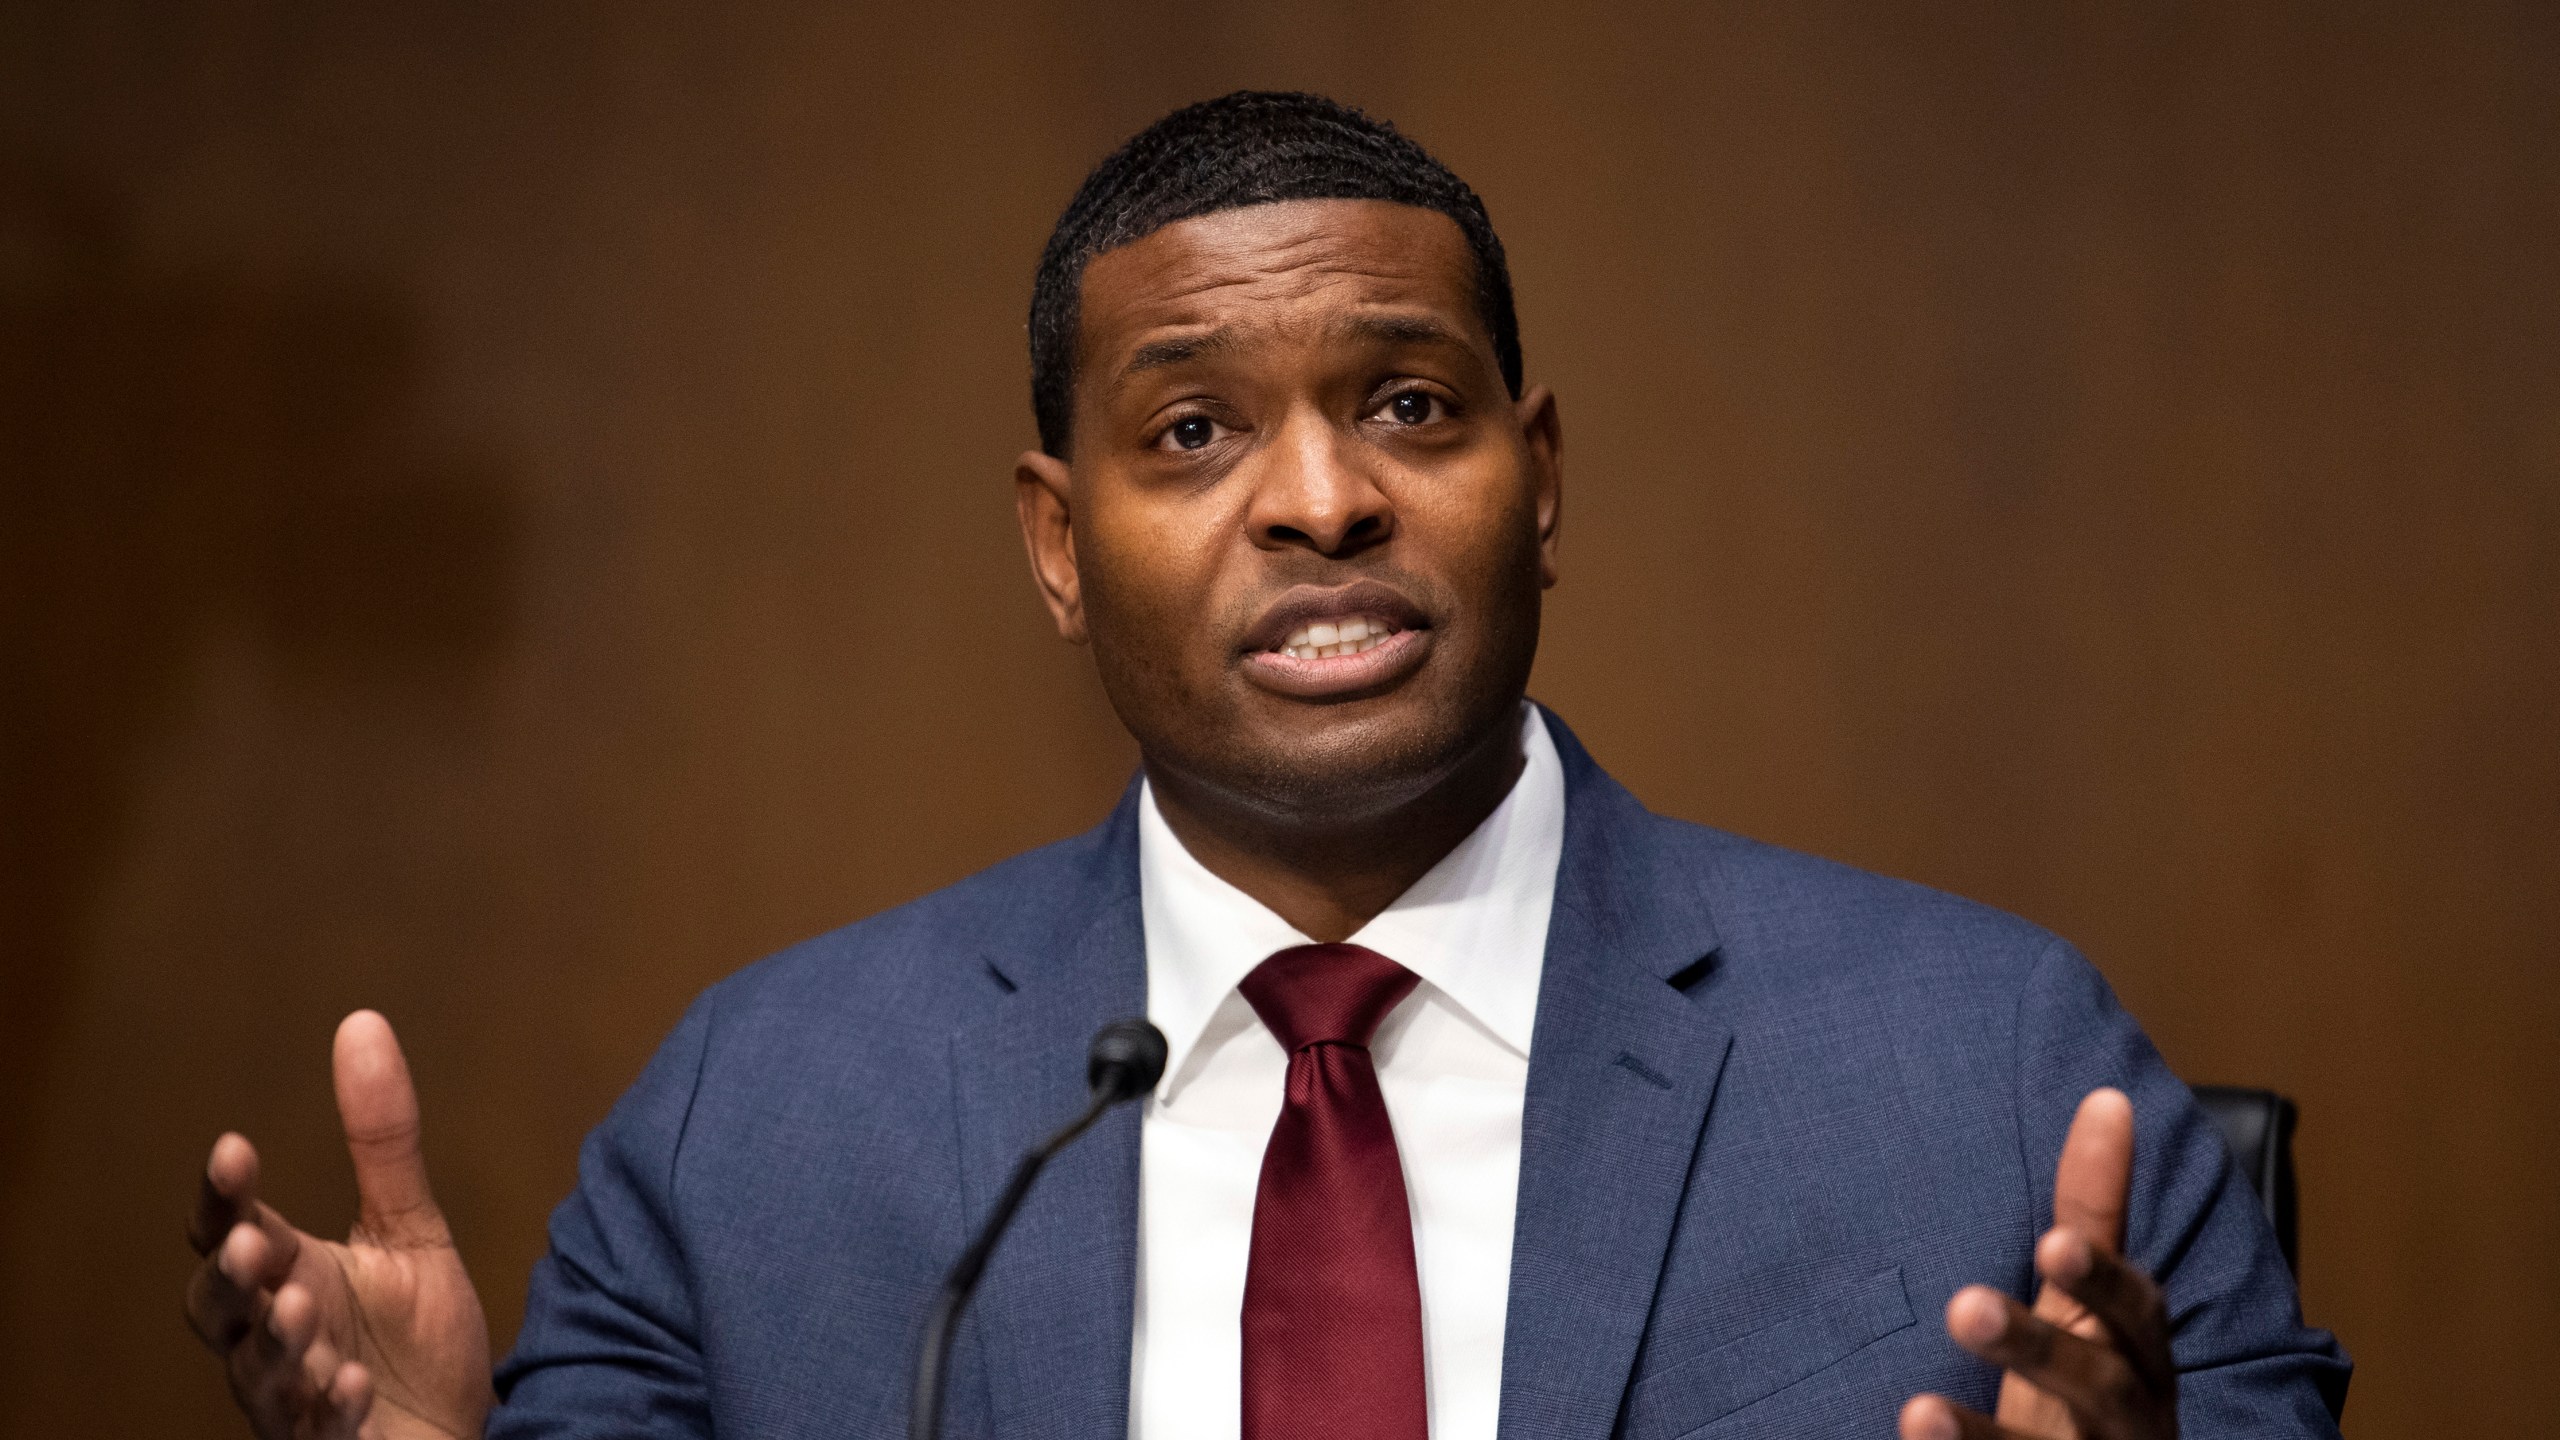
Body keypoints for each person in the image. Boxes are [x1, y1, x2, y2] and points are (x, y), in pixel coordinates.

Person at [183, 92, 2348, 1440]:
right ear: (1057, 543)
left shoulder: (1984, 1070)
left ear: (1543, 477)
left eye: (1410, 403)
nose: (1318, 499)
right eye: (1192, 431)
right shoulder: (756, 1124)